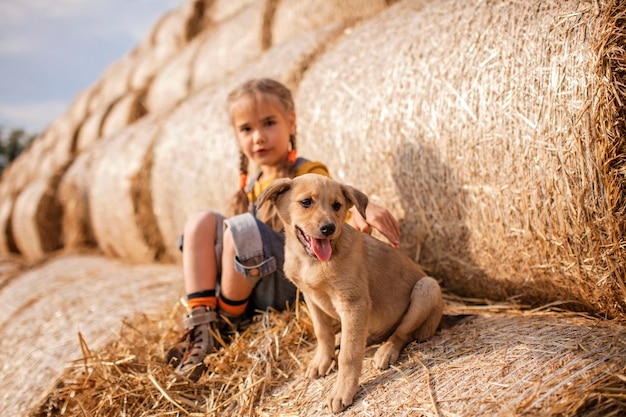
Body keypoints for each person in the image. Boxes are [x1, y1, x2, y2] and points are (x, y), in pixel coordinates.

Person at [167, 78, 401, 381]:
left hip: (294, 281)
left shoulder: (308, 175)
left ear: (291, 123)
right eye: (247, 129)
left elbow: (331, 207)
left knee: (241, 227)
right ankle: (202, 327)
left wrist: (364, 211)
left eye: (268, 123)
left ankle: (227, 324)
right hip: (251, 286)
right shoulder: (251, 187)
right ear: (237, 136)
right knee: (202, 220)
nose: (259, 137)